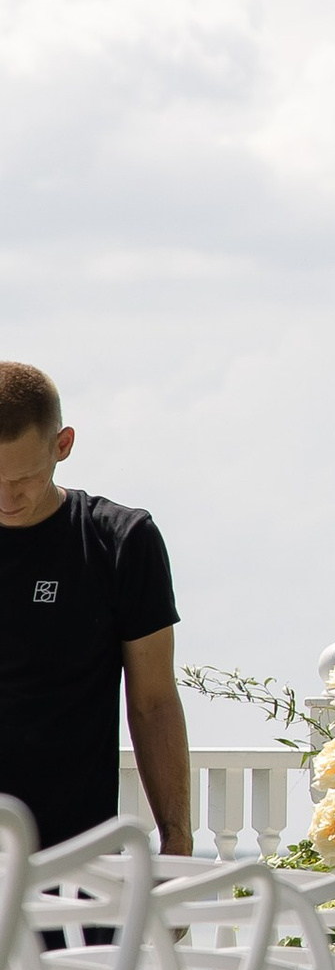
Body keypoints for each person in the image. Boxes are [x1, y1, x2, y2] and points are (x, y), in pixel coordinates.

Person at [0, 361, 189, 856]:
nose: (6, 496)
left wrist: (177, 837)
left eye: (23, 477)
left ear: (62, 445)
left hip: (77, 862)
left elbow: (153, 702)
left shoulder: (121, 541)